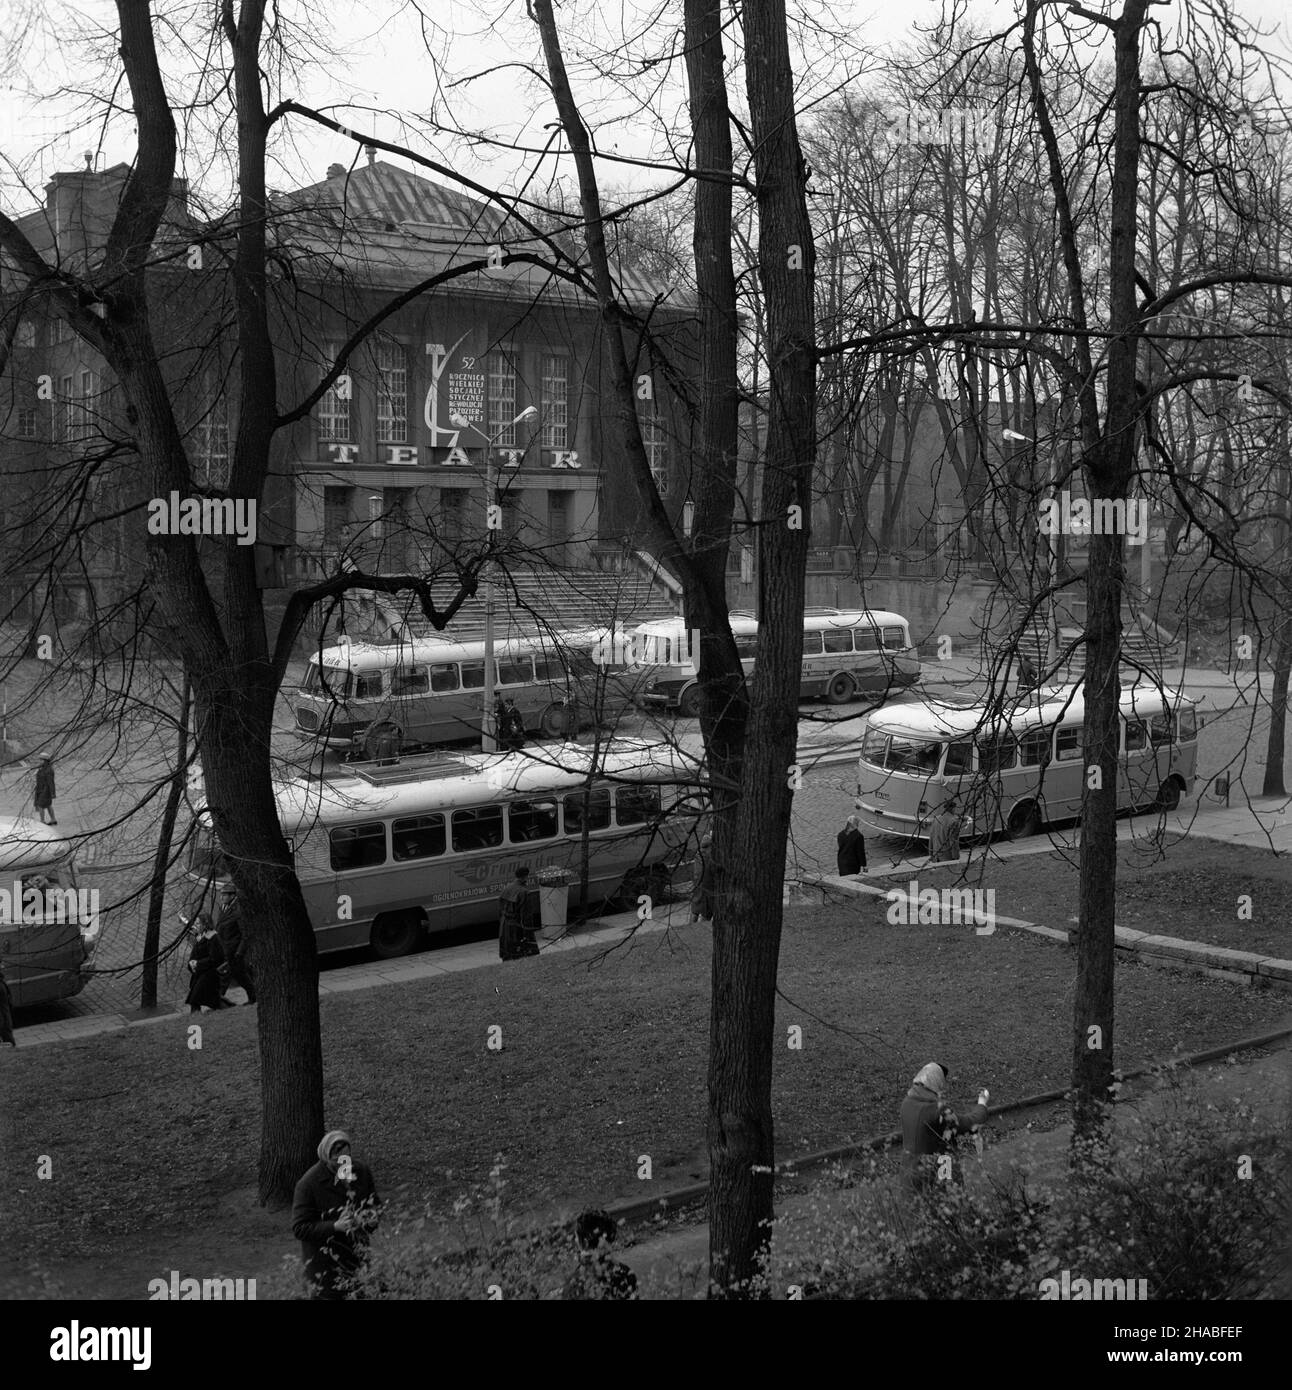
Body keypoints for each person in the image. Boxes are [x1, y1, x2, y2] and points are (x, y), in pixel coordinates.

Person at [291, 1130, 381, 1300]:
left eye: (346, 1158)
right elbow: (300, 1228)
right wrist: (335, 1226)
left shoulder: (361, 1172)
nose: (343, 1164)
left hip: (359, 1261)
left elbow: (375, 1204)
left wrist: (369, 1218)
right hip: (325, 1269)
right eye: (337, 1160)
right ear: (326, 1158)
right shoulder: (308, 1184)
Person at [900, 1061, 990, 1194]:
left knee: (918, 1210)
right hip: (938, 1169)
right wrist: (982, 1103)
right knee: (951, 1205)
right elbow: (969, 1124)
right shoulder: (937, 1110)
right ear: (937, 1083)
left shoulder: (906, 1103)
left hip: (909, 1171)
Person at [561, 1209, 638, 1300]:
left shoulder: (575, 1282)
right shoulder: (625, 1273)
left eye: (576, 1237)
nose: (575, 1240)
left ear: (585, 1243)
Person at [215, 886, 256, 1005]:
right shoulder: (223, 907)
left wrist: (239, 952)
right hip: (225, 949)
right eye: (221, 895)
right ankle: (218, 1000)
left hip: (234, 951)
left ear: (232, 896)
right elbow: (220, 926)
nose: (221, 897)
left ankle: (253, 997)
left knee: (238, 975)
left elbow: (245, 934)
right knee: (229, 975)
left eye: (225, 895)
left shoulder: (238, 911)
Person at [184, 914, 232, 1013]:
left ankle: (196, 1018)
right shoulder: (200, 937)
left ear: (205, 925)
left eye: (198, 923)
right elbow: (194, 955)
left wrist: (198, 964)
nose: (195, 925)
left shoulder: (213, 938)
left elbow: (215, 959)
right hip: (201, 973)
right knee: (207, 1000)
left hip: (210, 975)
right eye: (195, 923)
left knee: (196, 999)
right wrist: (191, 963)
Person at [498, 866, 538, 960]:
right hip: (517, 928)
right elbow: (526, 917)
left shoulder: (506, 888)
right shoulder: (524, 892)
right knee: (523, 955)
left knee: (508, 955)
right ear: (526, 877)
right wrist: (528, 935)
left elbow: (500, 910)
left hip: (505, 926)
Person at [690, 832, 715, 923]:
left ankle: (691, 926)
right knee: (704, 911)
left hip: (699, 887)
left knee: (696, 909)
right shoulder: (706, 858)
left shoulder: (699, 857)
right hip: (705, 888)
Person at [928, 798, 962, 863]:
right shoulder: (954, 821)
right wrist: (956, 857)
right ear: (953, 808)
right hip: (947, 857)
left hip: (936, 856)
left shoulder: (936, 819)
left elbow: (931, 837)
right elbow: (953, 841)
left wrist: (931, 853)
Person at [34, 757, 56, 826]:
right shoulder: (42, 768)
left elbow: (51, 782)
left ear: (45, 760)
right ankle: (53, 820)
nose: (39, 761)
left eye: (41, 760)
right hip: (40, 789)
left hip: (45, 790)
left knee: (40, 805)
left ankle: (42, 821)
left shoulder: (48, 770)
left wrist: (52, 793)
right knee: (48, 805)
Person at [0, 958, 16, 1047]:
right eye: (0, 964)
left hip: (5, 1019)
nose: (2, 966)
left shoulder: (1, 980)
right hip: (3, 1022)